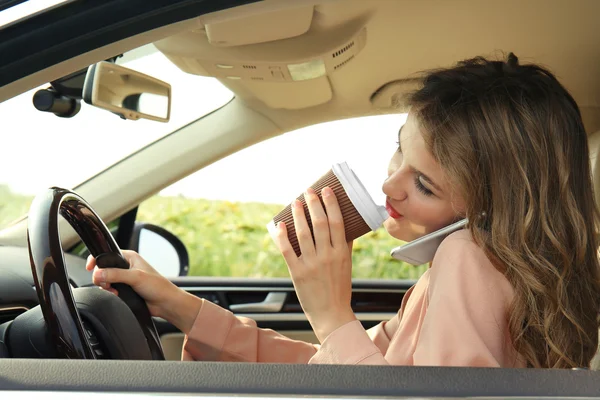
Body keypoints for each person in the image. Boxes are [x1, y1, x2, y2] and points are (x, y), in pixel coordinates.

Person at [87, 53, 600, 369]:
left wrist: (332, 314)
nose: (389, 185)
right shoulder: (466, 263)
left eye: (423, 183)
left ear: (493, 208)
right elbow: (335, 368)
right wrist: (178, 305)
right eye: (400, 149)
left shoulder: (467, 259)